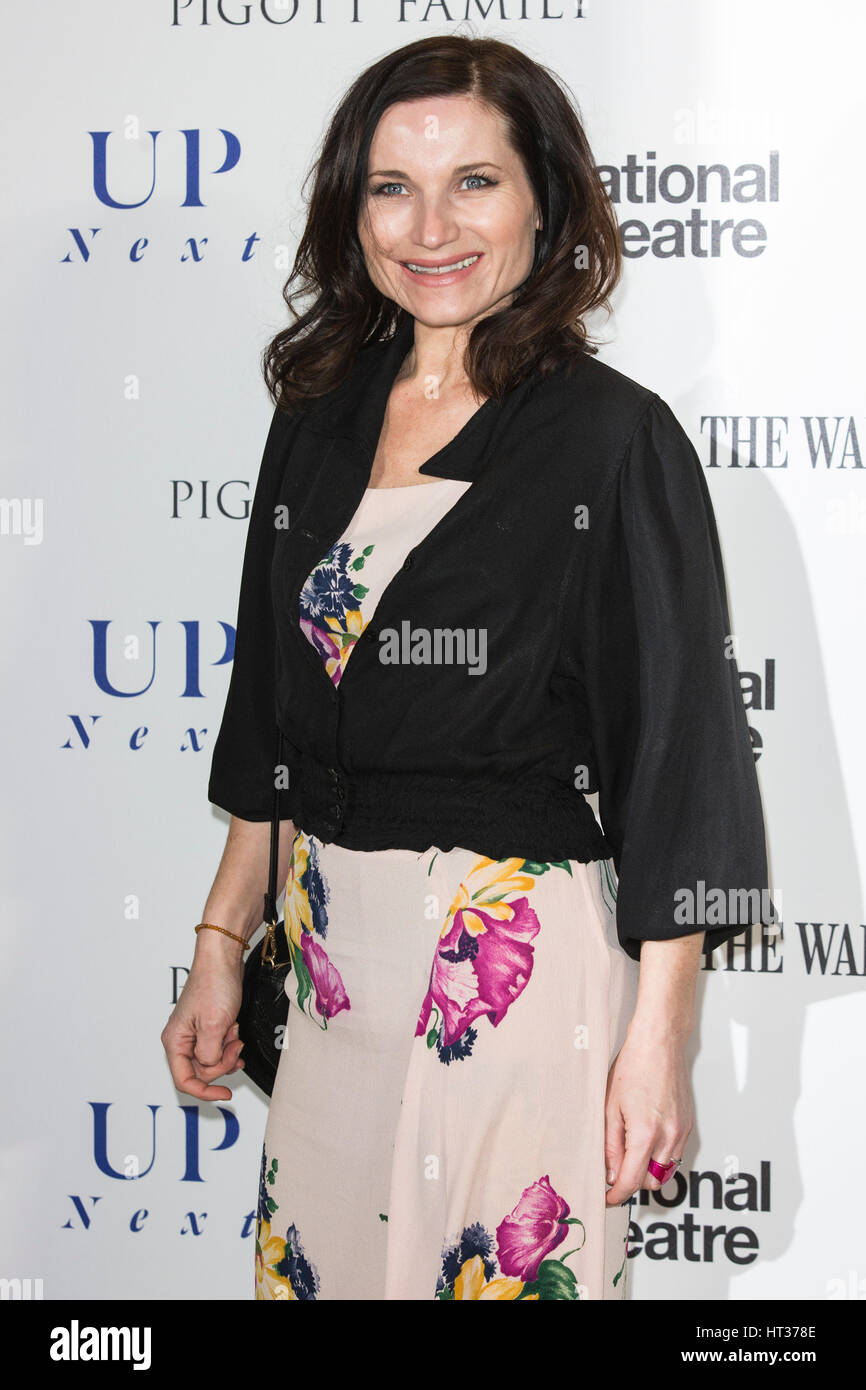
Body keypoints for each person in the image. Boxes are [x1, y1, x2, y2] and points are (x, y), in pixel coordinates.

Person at [161, 34, 775, 1301]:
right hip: (329, 977)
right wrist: (222, 936)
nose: (429, 226)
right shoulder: (317, 411)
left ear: (544, 201)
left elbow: (679, 753)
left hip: (506, 975)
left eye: (474, 183)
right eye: (392, 187)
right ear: (352, 208)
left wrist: (656, 1041)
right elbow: (272, 716)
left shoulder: (609, 439)